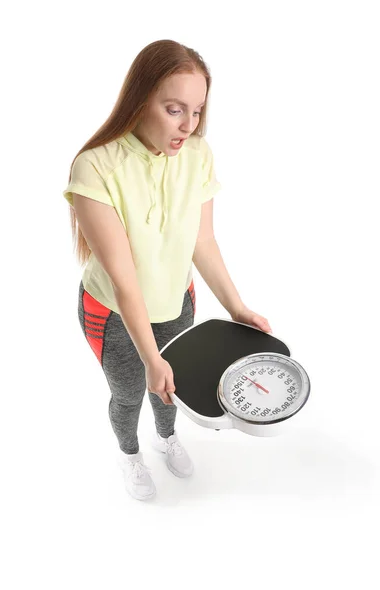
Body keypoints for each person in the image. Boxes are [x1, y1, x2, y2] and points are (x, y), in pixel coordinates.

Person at [63, 39, 272, 501]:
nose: (188, 125)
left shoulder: (197, 154)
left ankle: (166, 437)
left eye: (197, 111)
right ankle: (131, 453)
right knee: (130, 393)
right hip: (113, 314)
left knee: (170, 388)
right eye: (175, 109)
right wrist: (149, 355)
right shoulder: (94, 168)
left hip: (178, 302)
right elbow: (124, 278)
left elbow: (203, 240)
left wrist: (237, 307)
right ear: (140, 99)